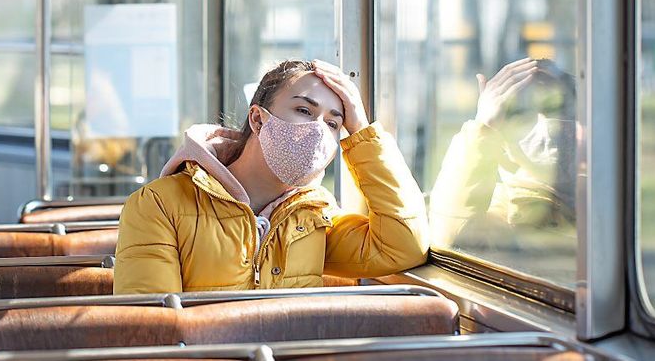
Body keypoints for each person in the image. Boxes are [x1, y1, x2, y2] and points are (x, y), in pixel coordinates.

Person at [113, 59, 428, 293]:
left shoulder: (314, 218)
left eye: (333, 124)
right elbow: (155, 328)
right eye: (304, 111)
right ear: (258, 120)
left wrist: (361, 131)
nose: (318, 129)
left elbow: (403, 244)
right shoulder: (159, 204)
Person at [429, 57, 577, 258]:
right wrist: (483, 128)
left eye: (558, 111)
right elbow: (453, 236)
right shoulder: (502, 213)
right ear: (504, 139)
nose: (548, 126)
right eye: (526, 113)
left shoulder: (607, 198)